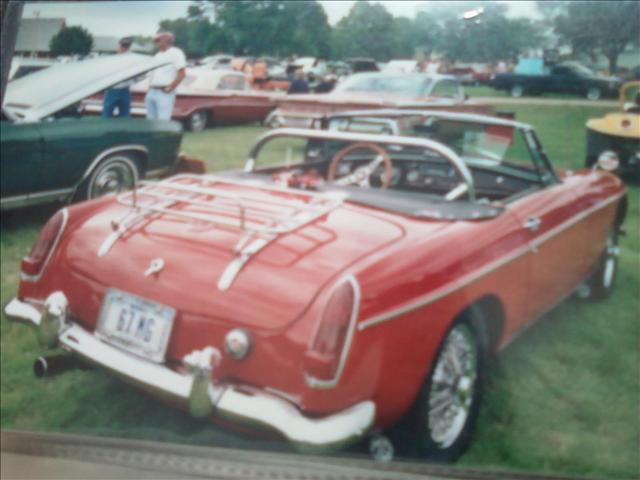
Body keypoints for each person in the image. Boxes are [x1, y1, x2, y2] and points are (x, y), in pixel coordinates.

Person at [145, 32, 186, 121]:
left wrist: (171, 88)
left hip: (164, 92)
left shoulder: (176, 53)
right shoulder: (157, 55)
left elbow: (182, 73)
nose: (156, 42)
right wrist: (149, 89)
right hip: (152, 91)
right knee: (150, 120)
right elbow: (153, 74)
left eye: (158, 40)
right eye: (156, 41)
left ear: (167, 40)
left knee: (163, 120)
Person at [102, 37, 134, 117]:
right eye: (123, 46)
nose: (124, 48)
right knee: (106, 115)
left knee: (125, 115)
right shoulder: (112, 59)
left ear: (129, 47)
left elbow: (139, 75)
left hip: (125, 90)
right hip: (112, 89)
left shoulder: (132, 59)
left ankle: (124, 129)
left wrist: (131, 82)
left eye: (126, 46)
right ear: (119, 46)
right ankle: (105, 129)